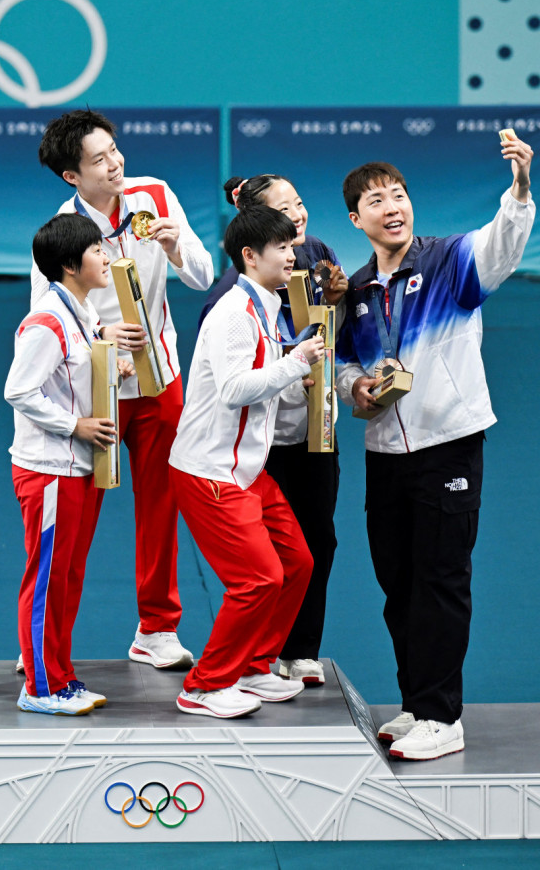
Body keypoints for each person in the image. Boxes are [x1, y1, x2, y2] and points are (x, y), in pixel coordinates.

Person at [336, 133, 535, 760]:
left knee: (442, 579)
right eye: (377, 200)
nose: (393, 207)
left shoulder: (449, 260)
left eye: (399, 195)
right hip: (384, 454)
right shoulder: (360, 292)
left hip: (448, 443)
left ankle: (444, 718)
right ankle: (417, 704)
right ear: (356, 218)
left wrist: (520, 188)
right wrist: (358, 391)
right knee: (399, 583)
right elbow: (343, 368)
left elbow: (501, 243)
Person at [29, 109, 213, 671]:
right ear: (72, 177)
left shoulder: (155, 194)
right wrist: (99, 333)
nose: (115, 165)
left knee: (161, 507)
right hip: (97, 389)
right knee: (75, 519)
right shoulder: (62, 230)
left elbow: (203, 277)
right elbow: (45, 314)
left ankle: (156, 629)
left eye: (115, 151)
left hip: (160, 381)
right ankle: (43, 636)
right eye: (99, 160)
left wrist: (177, 242)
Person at [168, 204, 324, 719]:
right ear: (250, 257)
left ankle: (256, 666)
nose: (291, 253)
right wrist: (295, 362)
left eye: (290, 244)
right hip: (210, 471)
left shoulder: (266, 306)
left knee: (298, 563)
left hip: (247, 471)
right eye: (280, 247)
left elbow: (263, 383)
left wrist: (290, 371)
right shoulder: (234, 313)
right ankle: (205, 685)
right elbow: (236, 390)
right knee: (257, 580)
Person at [200, 174, 349, 687]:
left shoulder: (319, 255)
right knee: (264, 562)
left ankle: (297, 651)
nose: (299, 219)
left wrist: (340, 304)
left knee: (317, 543)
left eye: (302, 203)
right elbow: (233, 383)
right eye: (284, 215)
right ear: (254, 240)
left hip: (317, 430)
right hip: (260, 446)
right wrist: (294, 364)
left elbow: (335, 337)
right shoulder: (229, 302)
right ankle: (247, 660)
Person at [5, 213, 135, 715]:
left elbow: (75, 380)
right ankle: (38, 686)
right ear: (68, 264)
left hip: (81, 467)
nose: (106, 257)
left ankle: (60, 676)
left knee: (68, 576)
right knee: (47, 578)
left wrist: (115, 372)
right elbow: (18, 389)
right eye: (97, 251)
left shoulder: (82, 312)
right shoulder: (47, 321)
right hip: (50, 469)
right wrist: (73, 426)